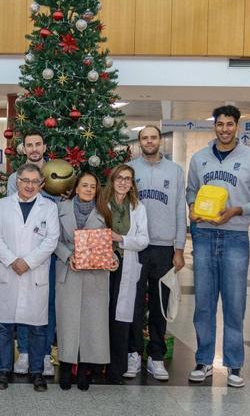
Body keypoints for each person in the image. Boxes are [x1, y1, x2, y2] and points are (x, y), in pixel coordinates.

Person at [186, 106, 250, 388]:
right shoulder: (199, 159)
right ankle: (204, 360)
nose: (224, 129)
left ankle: (234, 364)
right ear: (215, 126)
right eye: (220, 124)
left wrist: (239, 210)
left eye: (230, 124)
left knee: (235, 304)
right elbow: (190, 191)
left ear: (237, 126)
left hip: (235, 237)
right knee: (204, 304)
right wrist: (191, 208)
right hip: (204, 235)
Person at [0, 163, 59, 392]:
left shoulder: (48, 207)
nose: (29, 186)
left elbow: (51, 240)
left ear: (41, 184)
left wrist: (27, 262)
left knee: (38, 327)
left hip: (34, 273)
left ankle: (37, 372)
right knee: (4, 327)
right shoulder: (3, 206)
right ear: (17, 182)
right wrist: (12, 260)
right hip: (8, 272)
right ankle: (3, 371)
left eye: (34, 182)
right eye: (25, 181)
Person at [128, 126, 187, 381]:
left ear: (159, 141)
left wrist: (180, 248)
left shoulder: (174, 171)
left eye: (153, 137)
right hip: (135, 247)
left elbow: (179, 210)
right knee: (133, 304)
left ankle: (156, 357)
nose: (149, 141)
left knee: (159, 305)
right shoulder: (130, 170)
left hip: (164, 248)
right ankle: (133, 354)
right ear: (139, 142)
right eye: (144, 138)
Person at [54, 171, 118, 391]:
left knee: (92, 323)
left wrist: (113, 261)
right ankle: (65, 365)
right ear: (76, 188)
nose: (89, 190)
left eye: (93, 186)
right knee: (67, 322)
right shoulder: (61, 209)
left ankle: (85, 369)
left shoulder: (104, 211)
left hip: (95, 275)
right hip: (68, 271)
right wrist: (67, 256)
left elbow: (110, 245)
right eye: (85, 185)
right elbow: (54, 240)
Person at [6, 130, 59, 377]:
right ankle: (25, 352)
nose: (34, 148)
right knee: (22, 303)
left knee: (46, 304)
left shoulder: (59, 173)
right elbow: (12, 216)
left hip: (47, 254)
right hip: (20, 256)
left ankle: (45, 354)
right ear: (23, 148)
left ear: (45, 146)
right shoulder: (13, 179)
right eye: (29, 145)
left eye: (38, 144)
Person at [103, 164, 150, 385]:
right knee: (102, 313)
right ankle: (98, 363)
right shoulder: (101, 204)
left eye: (128, 179)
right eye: (119, 178)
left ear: (132, 183)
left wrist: (120, 239)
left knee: (120, 315)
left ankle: (117, 367)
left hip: (126, 263)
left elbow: (143, 240)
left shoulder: (138, 207)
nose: (123, 182)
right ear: (112, 180)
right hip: (102, 264)